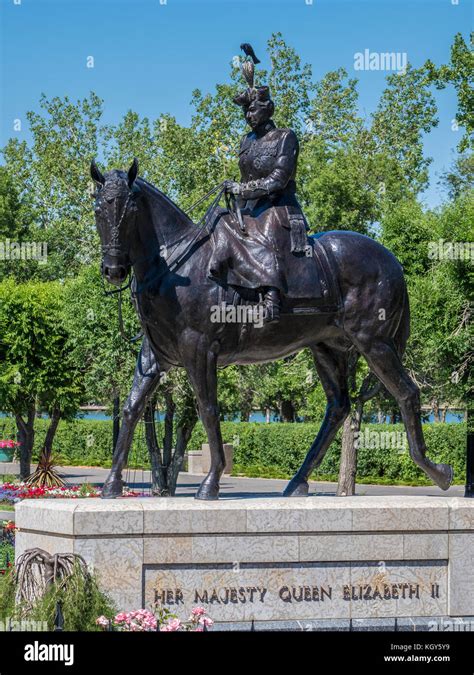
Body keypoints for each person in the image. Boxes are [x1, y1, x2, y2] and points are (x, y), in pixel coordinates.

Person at [210, 58, 308, 323]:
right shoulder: (247, 140)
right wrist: (235, 190)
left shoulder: (285, 137)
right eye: (246, 111)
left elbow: (277, 179)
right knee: (217, 220)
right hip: (250, 208)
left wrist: (243, 188)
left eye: (253, 110)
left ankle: (272, 298)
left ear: (268, 109)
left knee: (265, 231)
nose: (248, 115)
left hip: (279, 207)